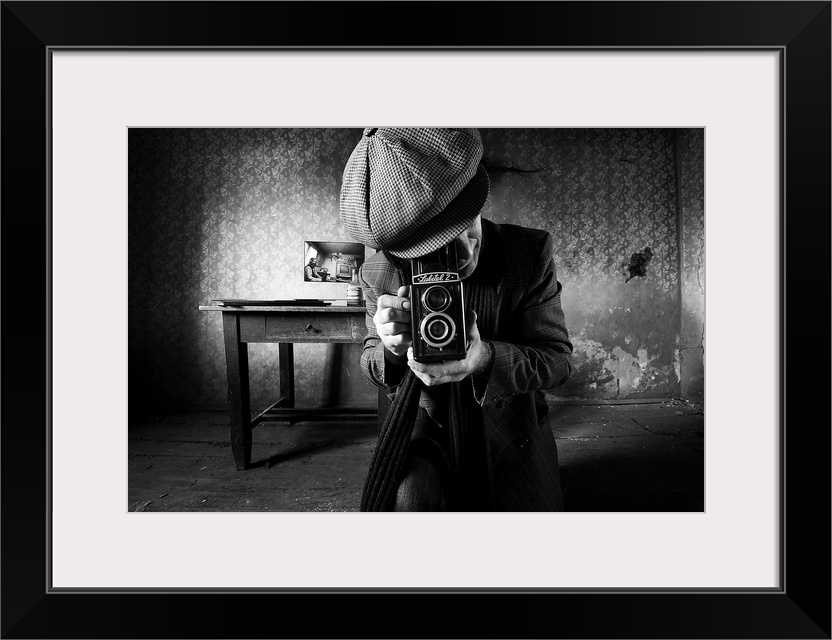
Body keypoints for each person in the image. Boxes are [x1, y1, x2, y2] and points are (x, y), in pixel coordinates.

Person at [340, 128, 572, 511]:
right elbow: (373, 364)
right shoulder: (377, 273)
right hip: (422, 422)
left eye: (468, 221)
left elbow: (559, 362)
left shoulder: (528, 252)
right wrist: (391, 350)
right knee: (410, 500)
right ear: (398, 251)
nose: (463, 252)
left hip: (510, 429)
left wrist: (484, 359)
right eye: (434, 245)